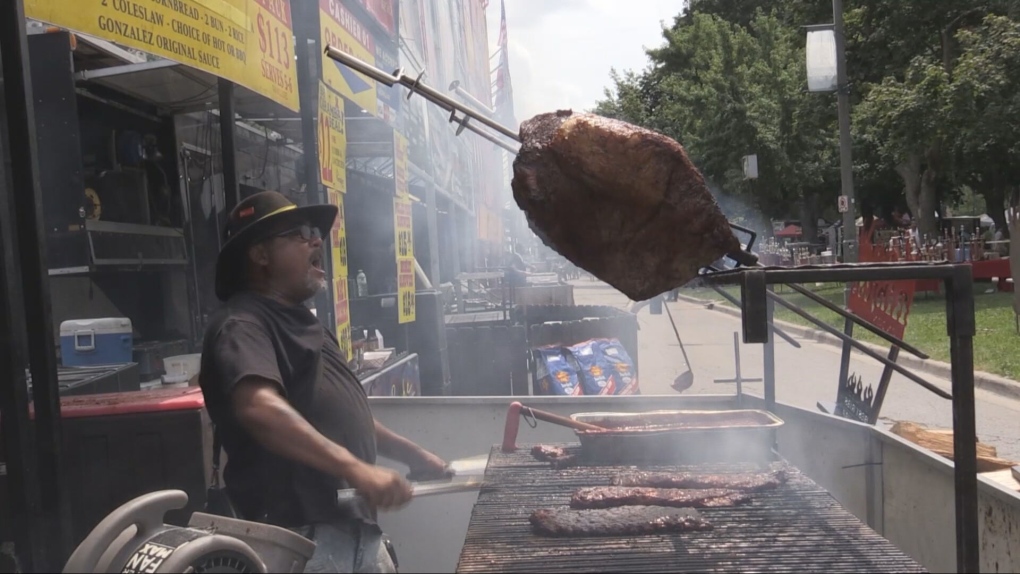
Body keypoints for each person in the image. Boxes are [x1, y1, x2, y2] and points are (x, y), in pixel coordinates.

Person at [200, 191, 449, 573]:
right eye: (300, 233)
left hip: (352, 527)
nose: (317, 240)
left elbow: (339, 411)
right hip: (298, 537)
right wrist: (356, 468)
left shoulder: (306, 322)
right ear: (260, 255)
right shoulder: (244, 324)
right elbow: (259, 408)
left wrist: (412, 455)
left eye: (315, 231)